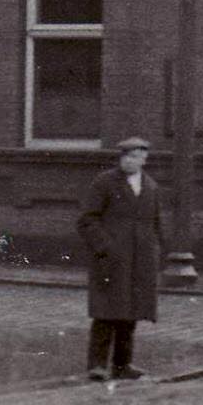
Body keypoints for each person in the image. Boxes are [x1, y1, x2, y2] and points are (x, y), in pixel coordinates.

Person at [76, 137, 163, 383]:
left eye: (136, 156)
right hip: (110, 260)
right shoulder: (104, 183)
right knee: (106, 312)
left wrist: (155, 251)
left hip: (139, 261)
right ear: (120, 158)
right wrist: (105, 246)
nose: (130, 161)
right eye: (126, 156)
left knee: (130, 314)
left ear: (144, 160)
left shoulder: (151, 187)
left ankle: (122, 364)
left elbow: (155, 223)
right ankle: (97, 365)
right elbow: (87, 220)